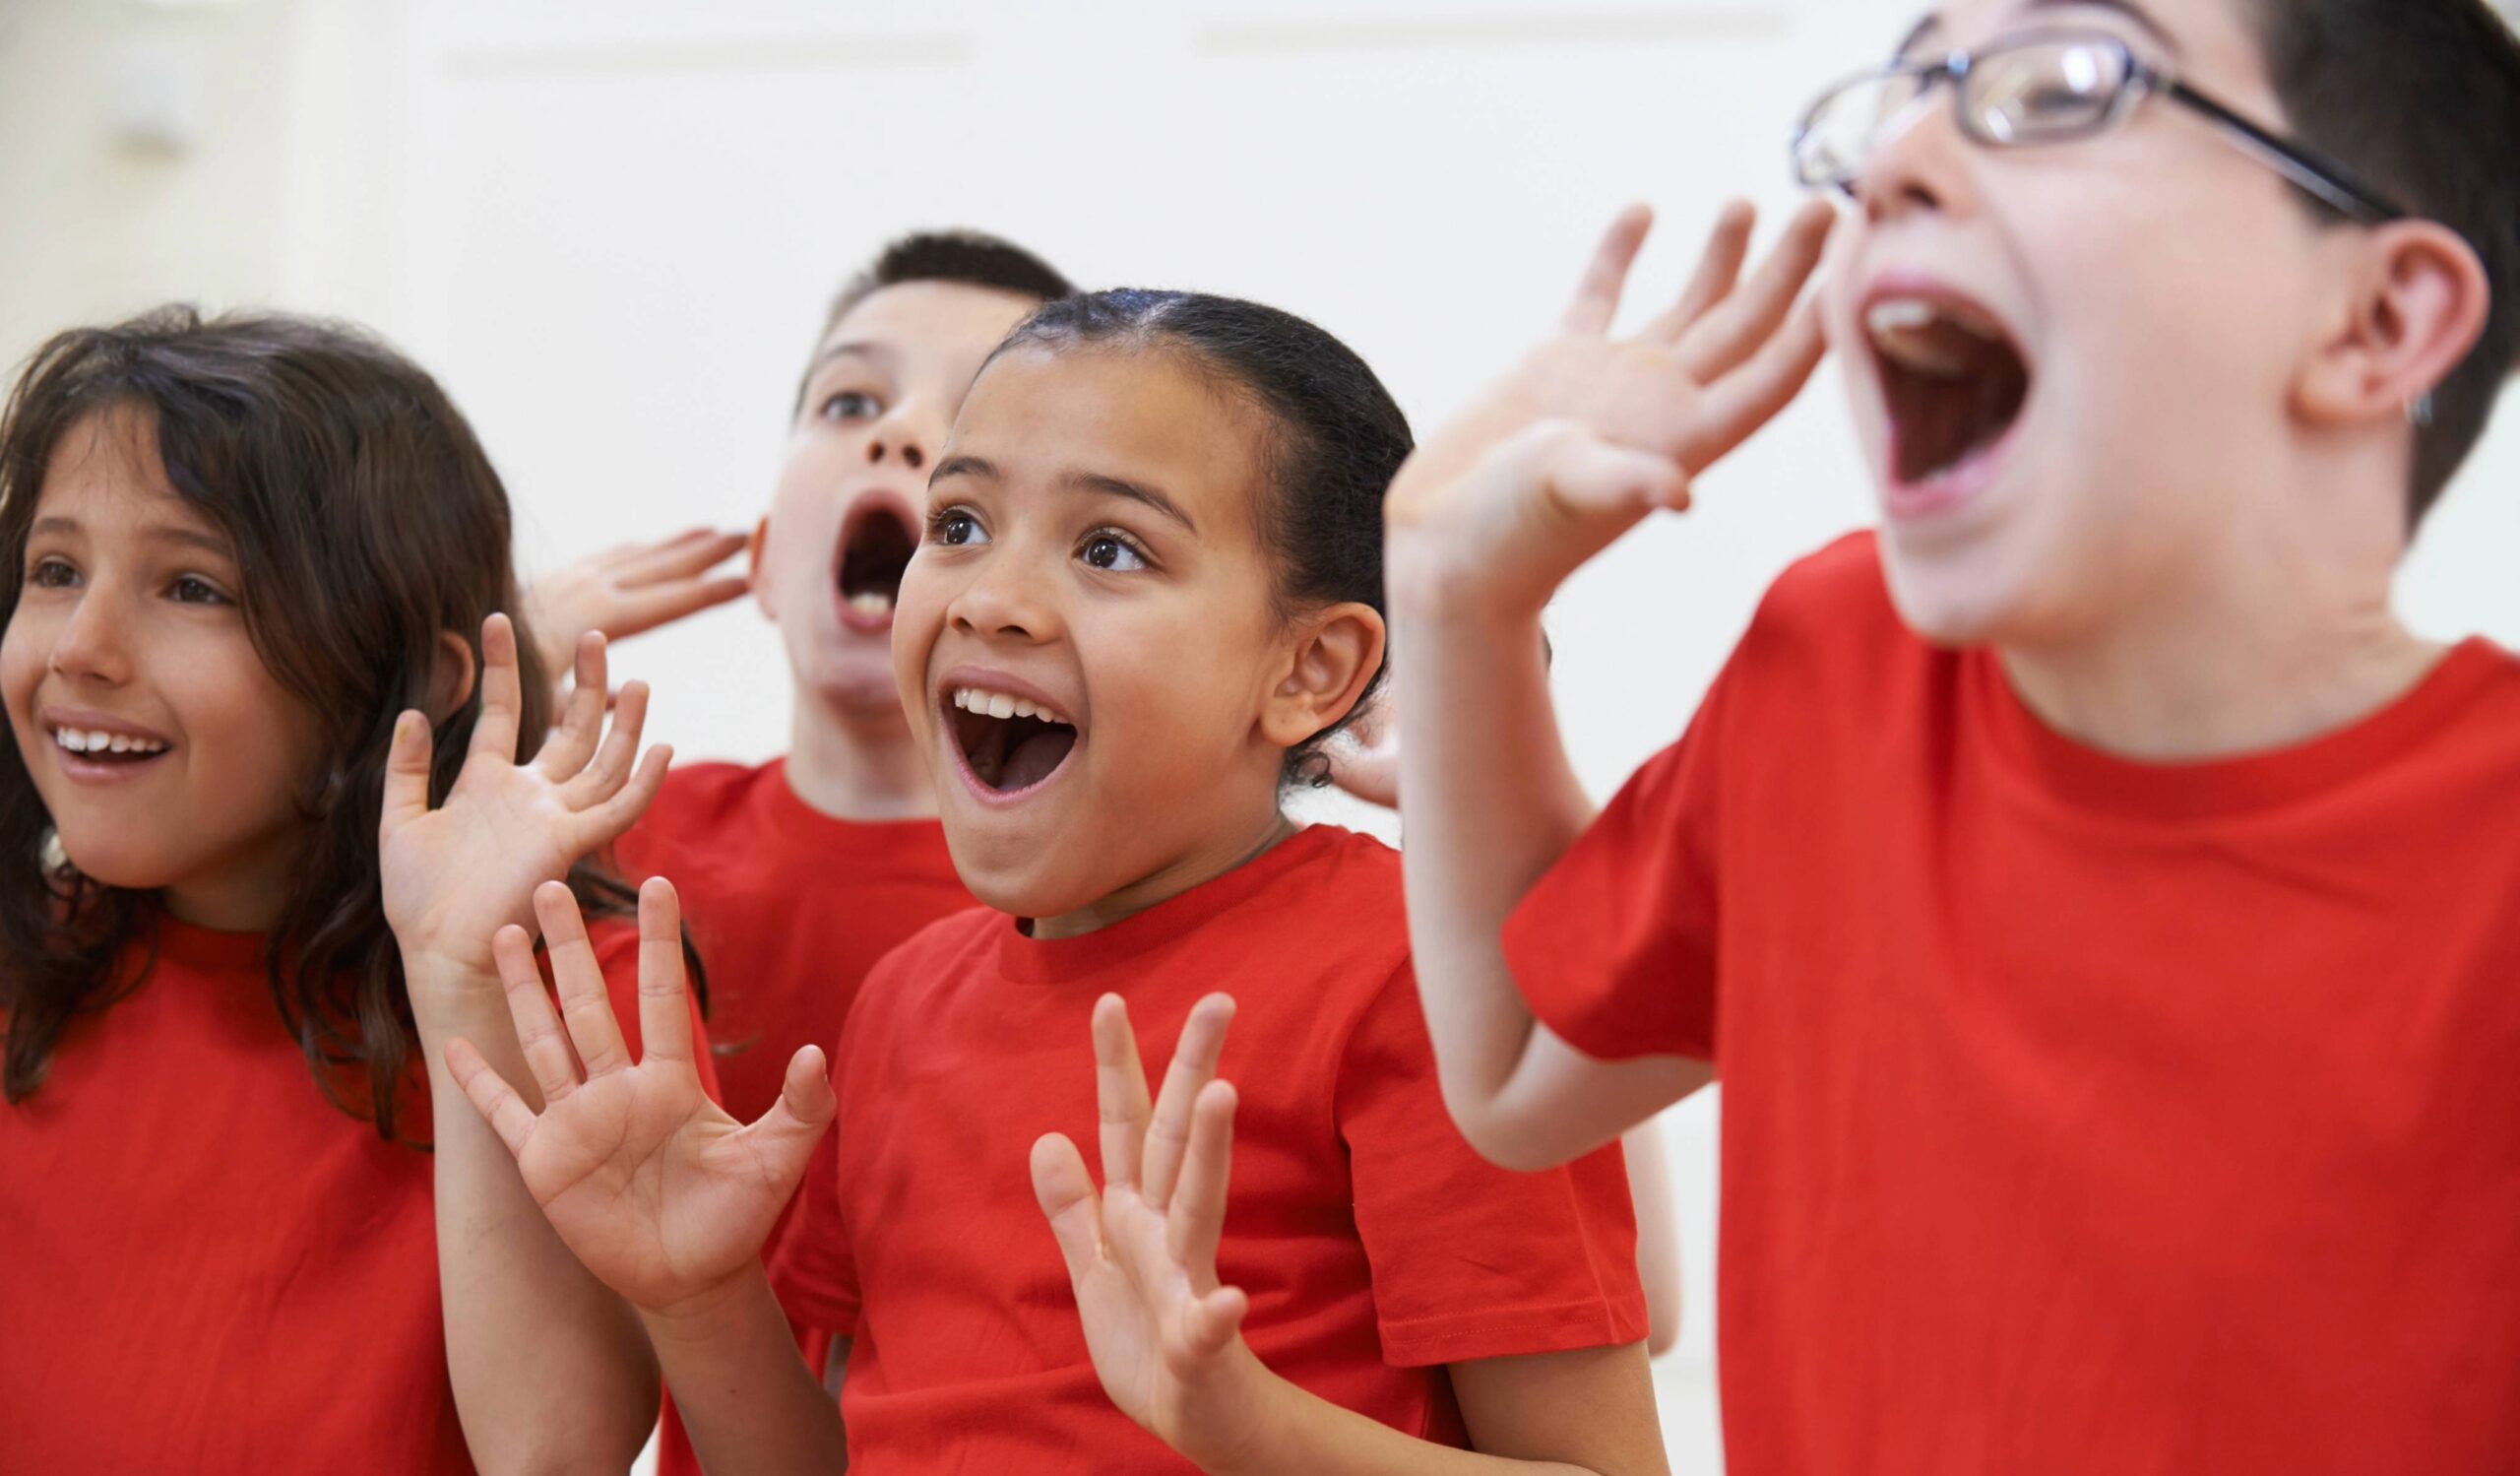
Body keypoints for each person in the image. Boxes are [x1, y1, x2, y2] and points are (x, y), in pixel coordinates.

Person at [1386, 1, 2520, 1470]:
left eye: (2060, 83)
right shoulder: (1836, 664)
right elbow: (1522, 1067)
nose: (1903, 157)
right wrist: (1455, 594)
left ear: (2376, 321)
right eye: (1911, 86)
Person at [457, 289, 1668, 1473]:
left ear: (1312, 667)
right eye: (960, 525)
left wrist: (1243, 1422)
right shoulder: (900, 1003)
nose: (990, 598)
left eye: (1109, 546)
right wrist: (701, 1292)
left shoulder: (1422, 975)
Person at [0, 308, 691, 1474]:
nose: (80, 644)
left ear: (411, 676)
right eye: (55, 568)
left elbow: (555, 1454)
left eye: (192, 587)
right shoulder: (29, 960)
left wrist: (459, 975)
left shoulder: (569, 994)